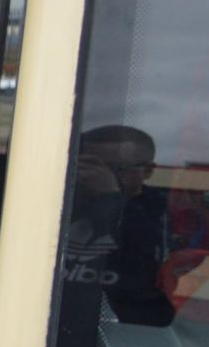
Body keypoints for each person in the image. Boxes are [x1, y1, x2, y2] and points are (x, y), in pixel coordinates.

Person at [69, 124, 173, 326]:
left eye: (117, 168)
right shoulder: (62, 202)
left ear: (148, 171)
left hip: (127, 322)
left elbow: (151, 250)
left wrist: (110, 197)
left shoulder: (161, 206)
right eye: (92, 164)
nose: (101, 174)